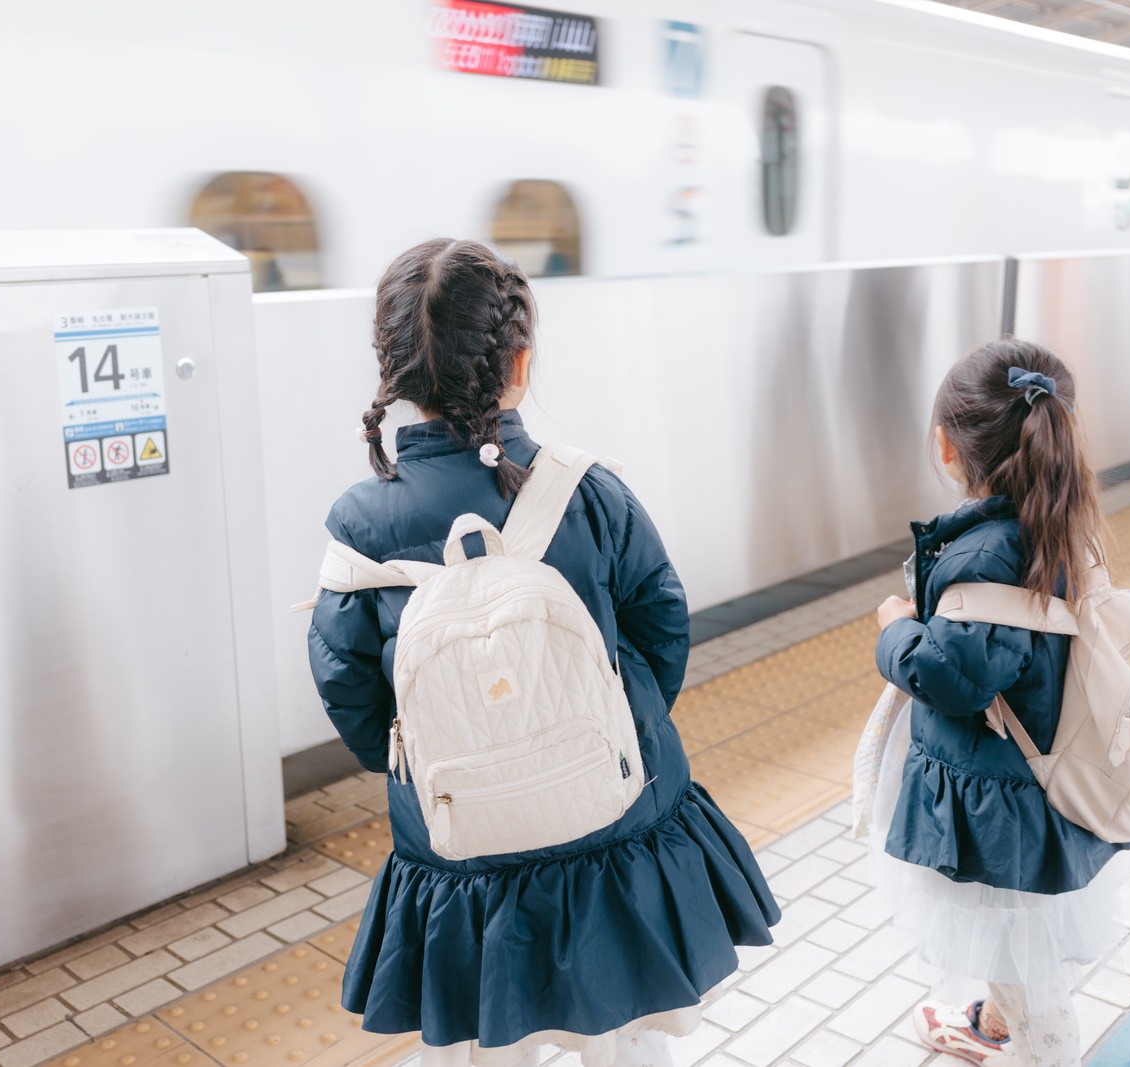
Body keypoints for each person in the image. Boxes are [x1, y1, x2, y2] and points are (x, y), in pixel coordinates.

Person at [307, 238, 779, 1067]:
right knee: (625, 1033)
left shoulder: (358, 524)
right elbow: (663, 628)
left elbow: (348, 686)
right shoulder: (585, 489)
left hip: (458, 846)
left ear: (389, 372)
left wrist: (428, 756)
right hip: (614, 823)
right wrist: (614, 723)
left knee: (482, 1039)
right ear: (518, 365)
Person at [871, 340, 1130, 1067]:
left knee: (1022, 958)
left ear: (947, 448)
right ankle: (990, 1024)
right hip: (1038, 776)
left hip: (1000, 807)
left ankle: (1040, 1050)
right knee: (1018, 944)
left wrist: (896, 629)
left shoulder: (989, 552)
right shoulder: (1055, 521)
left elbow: (958, 678)